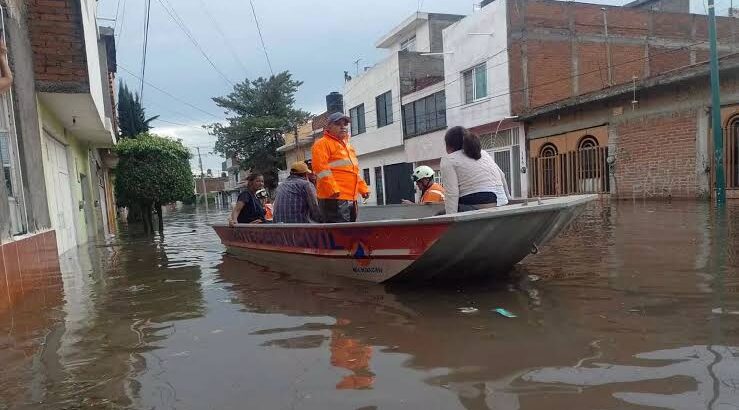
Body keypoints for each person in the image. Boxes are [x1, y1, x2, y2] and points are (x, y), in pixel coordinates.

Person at [311, 112, 370, 223]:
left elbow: (353, 172)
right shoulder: (322, 144)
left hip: (350, 198)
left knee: (348, 233)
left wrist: (363, 188)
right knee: (340, 234)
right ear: (329, 127)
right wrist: (332, 189)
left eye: (345, 124)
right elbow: (321, 169)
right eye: (338, 123)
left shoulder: (347, 147)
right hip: (333, 199)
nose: (342, 126)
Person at [440, 126, 510, 215]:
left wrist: (451, 219)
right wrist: (509, 201)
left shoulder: (448, 159)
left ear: (449, 145)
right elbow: (502, 175)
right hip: (500, 203)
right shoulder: (484, 153)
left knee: (438, 216)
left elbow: (452, 193)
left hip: (476, 206)